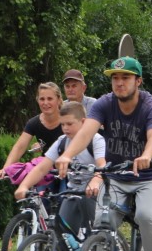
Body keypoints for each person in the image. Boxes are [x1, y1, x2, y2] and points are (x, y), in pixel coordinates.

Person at [54, 56, 152, 251]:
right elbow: (85, 133)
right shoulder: (104, 105)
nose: (119, 83)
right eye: (115, 78)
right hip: (116, 176)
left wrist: (147, 155)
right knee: (101, 226)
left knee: (146, 216)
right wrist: (67, 155)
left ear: (138, 81)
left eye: (126, 77)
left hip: (150, 175)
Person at [15, 101, 107, 236]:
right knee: (62, 235)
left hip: (94, 193)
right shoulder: (62, 141)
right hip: (73, 191)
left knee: (97, 234)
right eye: (62, 124)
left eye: (69, 124)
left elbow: (102, 165)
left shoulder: (95, 140)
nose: (65, 128)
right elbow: (42, 168)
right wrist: (24, 186)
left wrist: (95, 181)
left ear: (83, 122)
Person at [0, 82, 64, 180]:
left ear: (59, 100)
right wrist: (6, 169)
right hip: (46, 171)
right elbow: (19, 147)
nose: (45, 103)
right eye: (42, 99)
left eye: (50, 99)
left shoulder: (67, 120)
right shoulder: (34, 123)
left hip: (69, 170)